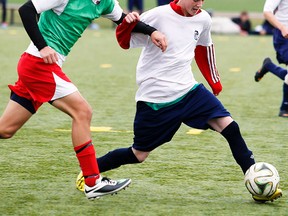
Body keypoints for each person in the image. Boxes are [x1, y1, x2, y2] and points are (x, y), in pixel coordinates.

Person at [76, 0, 282, 202]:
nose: (199, 3)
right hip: (156, 99)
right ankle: (90, 171)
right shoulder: (157, 16)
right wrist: (128, 23)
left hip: (189, 90)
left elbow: (204, 47)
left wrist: (214, 81)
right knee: (138, 154)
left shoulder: (203, 19)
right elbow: (124, 42)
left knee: (230, 127)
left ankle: (256, 182)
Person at [0, 0, 167, 200]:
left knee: (5, 130)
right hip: (38, 64)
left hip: (42, 66)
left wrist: (152, 31)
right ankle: (92, 182)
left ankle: (92, 181)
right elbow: (26, 9)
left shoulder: (105, 2)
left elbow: (122, 19)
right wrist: (43, 46)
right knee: (83, 112)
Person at [254, 0, 288, 118]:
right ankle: (284, 107)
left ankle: (269, 66)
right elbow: (267, 12)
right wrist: (282, 27)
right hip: (284, 36)